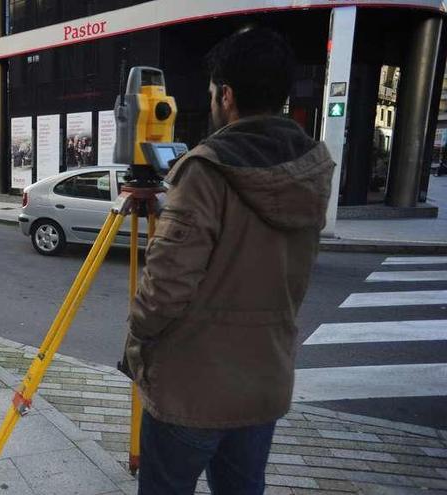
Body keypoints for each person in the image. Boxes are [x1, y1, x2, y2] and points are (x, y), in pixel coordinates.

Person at [122, 28, 335, 494]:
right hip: (264, 383)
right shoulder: (312, 168)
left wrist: (137, 340)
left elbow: (163, 292)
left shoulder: (206, 169)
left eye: (214, 94)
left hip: (191, 392)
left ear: (227, 95)